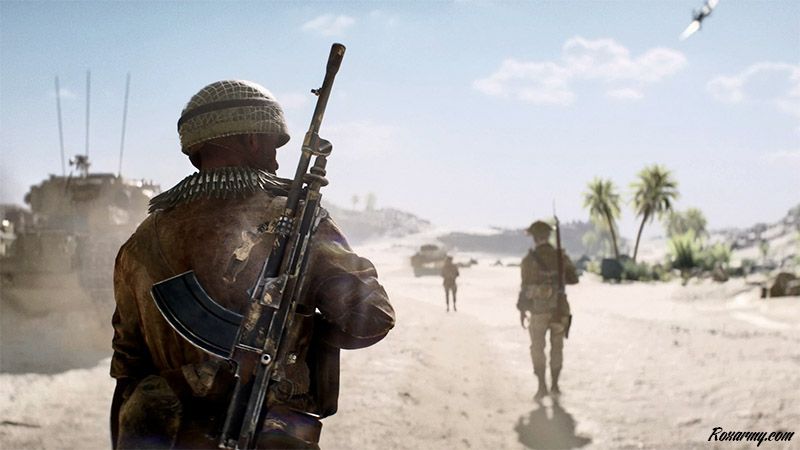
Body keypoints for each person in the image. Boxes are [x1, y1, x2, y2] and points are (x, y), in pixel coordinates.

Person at [110, 80, 395, 449]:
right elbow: (373, 316)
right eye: (273, 145)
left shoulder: (141, 241)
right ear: (251, 140)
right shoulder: (297, 221)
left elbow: (127, 372)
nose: (276, 161)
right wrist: (294, 333)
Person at [517, 220, 578, 399]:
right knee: (557, 348)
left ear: (534, 237)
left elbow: (524, 287)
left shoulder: (528, 260)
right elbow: (574, 279)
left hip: (538, 310)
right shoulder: (560, 256)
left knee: (537, 348)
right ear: (548, 236)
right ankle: (555, 386)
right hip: (559, 309)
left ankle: (542, 386)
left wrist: (522, 310)